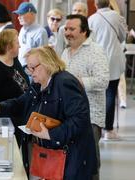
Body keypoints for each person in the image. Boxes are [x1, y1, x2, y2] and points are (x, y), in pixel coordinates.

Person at [0, 46, 97, 179]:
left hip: (70, 159)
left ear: (48, 64)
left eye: (33, 67)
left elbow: (79, 120)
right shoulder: (39, 83)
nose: (30, 72)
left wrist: (50, 134)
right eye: (28, 68)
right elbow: (21, 102)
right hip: (49, 155)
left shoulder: (65, 82)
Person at [61, 14, 109, 180]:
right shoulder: (66, 52)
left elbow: (103, 81)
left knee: (89, 163)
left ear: (84, 32)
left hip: (91, 117)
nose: (67, 32)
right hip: (69, 115)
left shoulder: (95, 51)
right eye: (66, 29)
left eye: (72, 29)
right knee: (73, 161)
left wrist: (77, 82)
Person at [88, 0, 128, 140]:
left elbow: (89, 41)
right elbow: (123, 36)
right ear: (109, 4)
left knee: (98, 95)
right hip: (114, 60)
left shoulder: (91, 19)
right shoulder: (117, 17)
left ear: (96, 5)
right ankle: (108, 131)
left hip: (96, 60)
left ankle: (95, 128)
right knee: (111, 94)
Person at [13, 2, 48, 66]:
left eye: (21, 14)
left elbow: (44, 56)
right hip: (20, 68)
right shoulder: (22, 30)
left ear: (32, 14)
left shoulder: (41, 32)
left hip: (32, 71)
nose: (18, 17)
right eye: (18, 15)